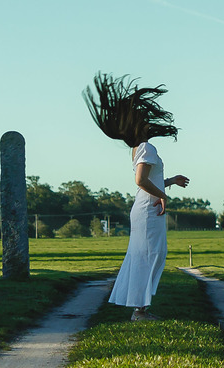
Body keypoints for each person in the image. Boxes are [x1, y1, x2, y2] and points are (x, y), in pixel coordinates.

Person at [84, 72, 190, 322]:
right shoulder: (146, 148)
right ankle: (139, 311)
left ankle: (140, 308)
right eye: (144, 121)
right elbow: (140, 181)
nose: (148, 123)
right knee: (149, 255)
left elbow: (148, 181)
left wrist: (169, 181)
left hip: (145, 208)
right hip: (148, 210)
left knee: (150, 254)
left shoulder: (138, 149)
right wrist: (162, 195)